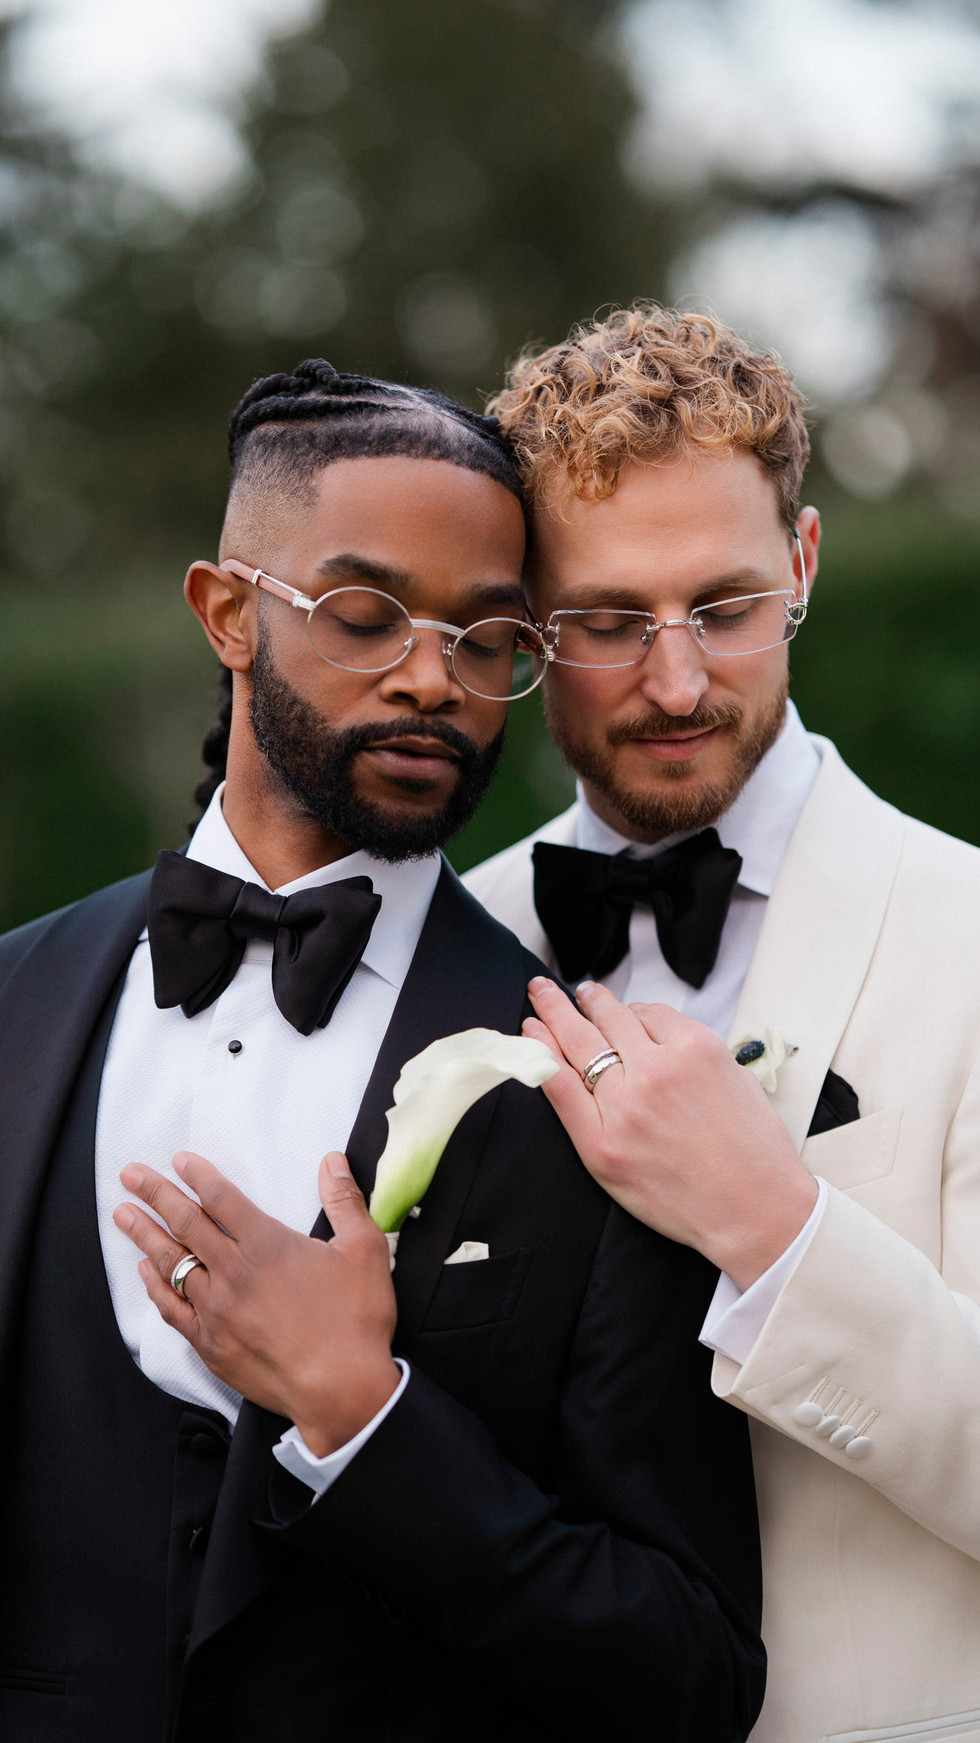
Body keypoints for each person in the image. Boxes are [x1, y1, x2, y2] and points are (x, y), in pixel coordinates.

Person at [0, 358, 765, 1743]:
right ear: (227, 613)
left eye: (487, 641)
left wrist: (370, 1420)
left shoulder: (586, 1081)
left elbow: (689, 1670)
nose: (435, 678)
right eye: (368, 616)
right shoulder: (14, 1005)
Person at [465, 305, 980, 1743]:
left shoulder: (971, 938)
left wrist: (775, 1229)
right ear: (521, 621)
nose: (679, 682)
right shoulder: (450, 951)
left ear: (804, 564)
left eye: (728, 606)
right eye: (611, 623)